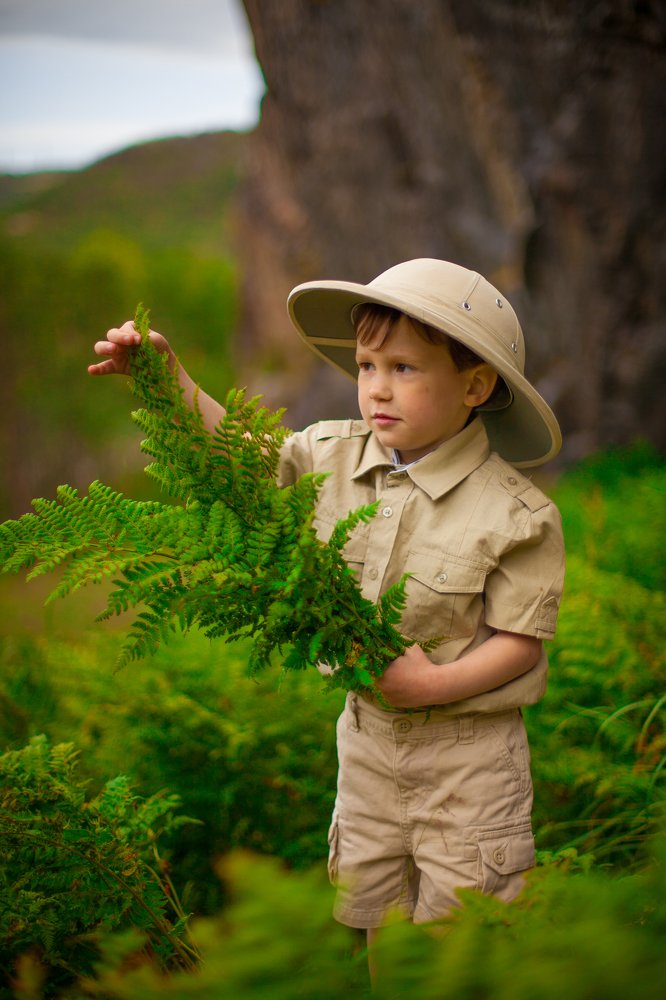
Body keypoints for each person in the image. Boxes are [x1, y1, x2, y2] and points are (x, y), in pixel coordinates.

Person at [90, 258, 565, 959]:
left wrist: (432, 684)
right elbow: (241, 458)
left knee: (465, 941)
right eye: (367, 366)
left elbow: (519, 641)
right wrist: (171, 383)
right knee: (383, 926)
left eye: (404, 368)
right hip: (367, 745)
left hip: (470, 761)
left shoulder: (516, 513)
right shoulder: (328, 455)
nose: (377, 388)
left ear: (475, 385)